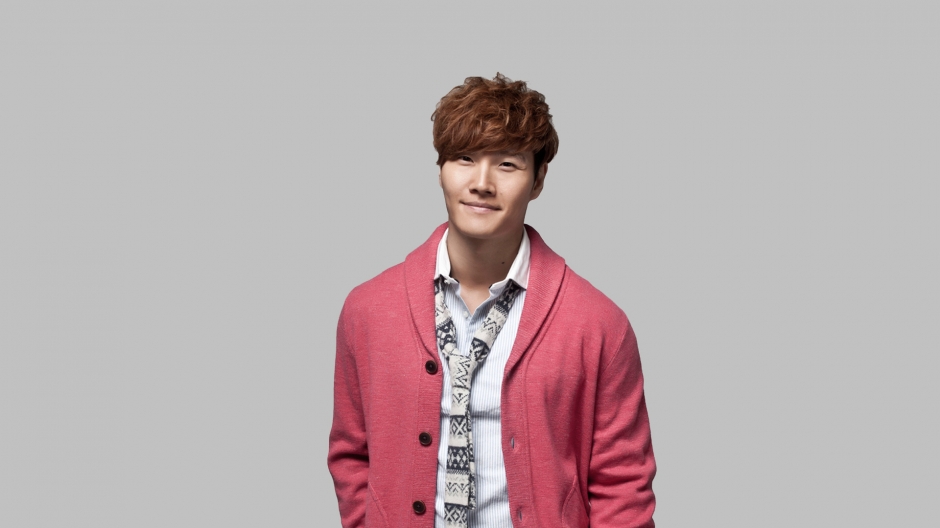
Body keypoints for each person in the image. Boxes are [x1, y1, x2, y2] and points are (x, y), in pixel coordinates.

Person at [328, 73, 656, 528]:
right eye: (464, 158)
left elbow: (623, 485)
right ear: (441, 169)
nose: (481, 182)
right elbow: (351, 453)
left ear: (538, 179)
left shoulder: (598, 324)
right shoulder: (367, 311)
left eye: (507, 164)